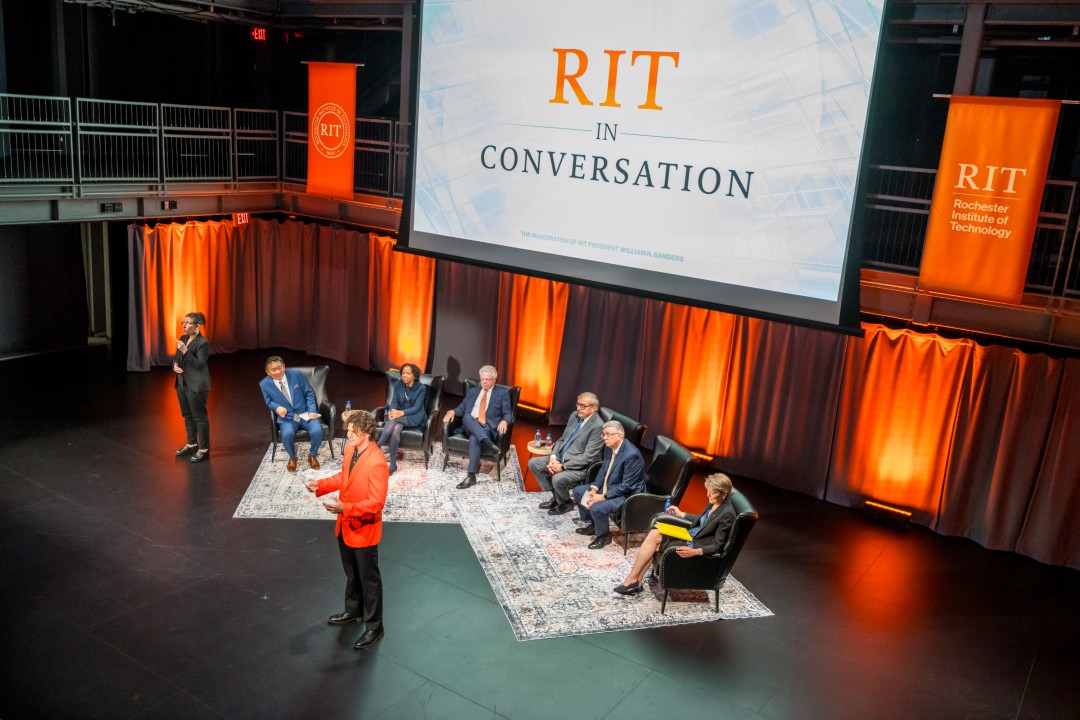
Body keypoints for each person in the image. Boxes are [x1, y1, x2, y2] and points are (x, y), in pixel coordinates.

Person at [306, 410, 389, 650]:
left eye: (353, 432)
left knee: (369, 580)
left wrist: (346, 508)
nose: (348, 434)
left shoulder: (376, 462)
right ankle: (354, 611)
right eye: (349, 430)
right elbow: (345, 477)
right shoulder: (352, 450)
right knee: (352, 573)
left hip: (362, 528)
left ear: (366, 433)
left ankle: (375, 626)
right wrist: (320, 485)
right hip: (345, 525)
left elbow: (376, 503)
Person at [612, 473, 736, 594]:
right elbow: (704, 520)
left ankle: (634, 580)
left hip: (695, 544)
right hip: (690, 535)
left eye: (712, 492)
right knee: (654, 533)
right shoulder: (714, 502)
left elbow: (718, 545)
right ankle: (635, 581)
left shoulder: (727, 514)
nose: (708, 494)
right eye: (708, 490)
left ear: (724, 494)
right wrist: (681, 514)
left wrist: (696, 551)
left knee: (654, 543)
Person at [570, 420, 645, 549]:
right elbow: (603, 470)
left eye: (608, 434)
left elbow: (627, 485)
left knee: (597, 507)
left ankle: (604, 536)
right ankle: (594, 525)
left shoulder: (632, 455)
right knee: (578, 491)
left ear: (619, 436)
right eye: (603, 434)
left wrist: (603, 496)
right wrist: (594, 488)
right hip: (610, 486)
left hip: (627, 495)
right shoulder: (609, 447)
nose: (604, 438)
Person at [530, 392, 604, 515]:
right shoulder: (575, 416)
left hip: (580, 467)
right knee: (534, 463)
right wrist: (553, 458)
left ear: (594, 408)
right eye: (578, 404)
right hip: (561, 459)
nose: (578, 408)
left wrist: (563, 467)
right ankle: (556, 497)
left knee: (558, 478)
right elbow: (562, 439)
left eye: (583, 406)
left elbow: (588, 457)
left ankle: (565, 503)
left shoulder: (598, 426)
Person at [442, 364, 512, 489]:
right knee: (468, 417)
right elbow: (462, 408)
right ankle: (489, 444)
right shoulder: (473, 391)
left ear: (494, 380)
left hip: (487, 428)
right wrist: (452, 411)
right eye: (482, 379)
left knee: (475, 438)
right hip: (469, 424)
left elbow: (507, 413)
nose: (484, 382)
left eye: (487, 380)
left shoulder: (502, 394)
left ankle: (471, 476)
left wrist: (504, 421)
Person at [259, 356, 324, 472]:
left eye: (280, 367)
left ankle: (312, 455)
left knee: (317, 431)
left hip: (305, 414)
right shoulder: (264, 384)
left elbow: (309, 393)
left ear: (284, 366)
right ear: (268, 372)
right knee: (287, 434)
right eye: (273, 370)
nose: (278, 371)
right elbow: (269, 401)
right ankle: (292, 458)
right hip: (288, 418)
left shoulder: (296, 375)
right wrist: (277, 407)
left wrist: (312, 410)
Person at [376, 363, 428, 475]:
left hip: (415, 416)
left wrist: (400, 413)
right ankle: (393, 464)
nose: (404, 375)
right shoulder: (398, 384)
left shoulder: (421, 388)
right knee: (396, 429)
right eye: (403, 373)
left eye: (407, 373)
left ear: (414, 375)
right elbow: (394, 402)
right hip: (400, 415)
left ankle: (376, 448)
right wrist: (393, 411)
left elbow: (416, 408)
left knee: (394, 420)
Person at [173, 311, 211, 463]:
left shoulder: (203, 343)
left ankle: (204, 449)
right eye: (184, 322)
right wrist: (175, 366)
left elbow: (199, 364)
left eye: (188, 323)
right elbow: (177, 357)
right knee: (187, 415)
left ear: (197, 326)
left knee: (199, 417)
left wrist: (185, 350)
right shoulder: (183, 338)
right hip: (182, 383)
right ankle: (191, 444)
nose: (184, 325)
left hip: (197, 385)